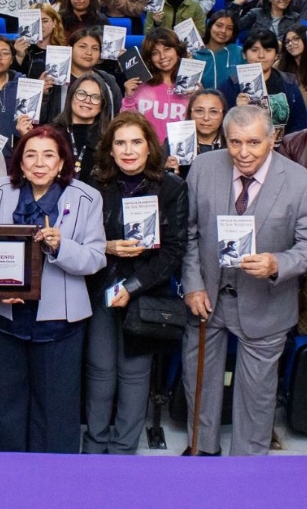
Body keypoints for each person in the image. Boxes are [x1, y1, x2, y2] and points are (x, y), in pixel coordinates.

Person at [180, 105, 307, 456]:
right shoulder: (202, 168)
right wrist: (193, 283)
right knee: (198, 385)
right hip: (207, 300)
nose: (243, 153)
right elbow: (187, 234)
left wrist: (278, 263)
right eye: (234, 143)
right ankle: (202, 451)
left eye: (253, 143)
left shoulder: (300, 181)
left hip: (266, 302)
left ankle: (247, 467)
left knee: (257, 397)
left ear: (273, 139)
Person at [0, 125, 107, 453]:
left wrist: (62, 246)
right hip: (5, 315)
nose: (39, 162)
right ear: (19, 162)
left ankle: (52, 483)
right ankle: (3, 478)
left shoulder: (87, 197)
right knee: (3, 405)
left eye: (49, 155)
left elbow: (95, 259)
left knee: (56, 408)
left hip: (59, 320)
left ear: (63, 163)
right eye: (30, 154)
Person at [84, 114, 187, 454]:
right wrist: (106, 247)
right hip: (101, 288)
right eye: (120, 143)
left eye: (136, 142)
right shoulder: (94, 185)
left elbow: (174, 250)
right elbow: (80, 239)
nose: (128, 150)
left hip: (145, 292)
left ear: (149, 147)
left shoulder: (172, 187)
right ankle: (96, 442)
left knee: (134, 373)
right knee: (100, 372)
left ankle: (124, 449)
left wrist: (134, 285)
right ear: (110, 151)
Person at [220, 30, 307, 136]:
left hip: (282, 148)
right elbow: (221, 127)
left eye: (268, 50)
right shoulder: (229, 86)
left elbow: (299, 126)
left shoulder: (289, 83)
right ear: (244, 54)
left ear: (276, 55)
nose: (261, 55)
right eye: (254, 50)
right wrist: (236, 110)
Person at [120, 28, 190, 142]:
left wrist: (199, 98)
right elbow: (126, 123)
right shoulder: (140, 84)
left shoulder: (190, 85)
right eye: (155, 53)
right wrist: (129, 97)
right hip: (146, 152)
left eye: (167, 49)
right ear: (149, 58)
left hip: (179, 154)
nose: (162, 56)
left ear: (177, 50)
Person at [167, 88, 227, 179]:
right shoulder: (173, 143)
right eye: (199, 111)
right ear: (190, 113)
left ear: (223, 114)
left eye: (213, 112)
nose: (206, 118)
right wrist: (168, 172)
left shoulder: (232, 144)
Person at [193, 11, 244, 91]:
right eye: (219, 26)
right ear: (210, 27)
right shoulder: (195, 55)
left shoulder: (240, 53)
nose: (223, 31)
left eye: (229, 28)